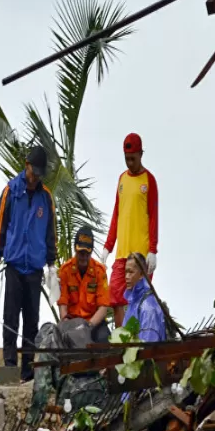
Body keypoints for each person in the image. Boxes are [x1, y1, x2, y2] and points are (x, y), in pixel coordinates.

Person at [0, 146, 58, 382]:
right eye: (33, 171)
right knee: (10, 319)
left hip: (34, 268)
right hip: (15, 265)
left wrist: (51, 264)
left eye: (39, 173)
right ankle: (10, 368)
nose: (35, 176)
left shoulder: (45, 197)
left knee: (32, 322)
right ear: (26, 165)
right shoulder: (11, 190)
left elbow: (51, 232)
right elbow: (0, 226)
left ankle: (28, 372)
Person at [100, 133, 159, 327]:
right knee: (116, 298)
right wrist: (108, 246)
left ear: (141, 154)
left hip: (141, 254)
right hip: (121, 253)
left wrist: (152, 250)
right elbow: (117, 213)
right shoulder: (122, 180)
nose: (130, 163)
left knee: (139, 298)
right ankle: (122, 342)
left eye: (133, 158)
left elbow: (153, 216)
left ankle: (139, 341)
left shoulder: (149, 180)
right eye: (127, 159)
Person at [57, 226, 110, 343]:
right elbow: (63, 304)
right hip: (72, 323)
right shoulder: (65, 270)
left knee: (104, 340)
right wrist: (67, 325)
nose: (84, 257)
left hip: (94, 323)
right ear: (75, 249)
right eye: (81, 253)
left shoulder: (99, 271)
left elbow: (103, 307)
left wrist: (88, 327)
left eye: (87, 253)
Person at [123, 252, 166, 343]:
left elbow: (148, 347)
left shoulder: (148, 307)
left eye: (131, 272)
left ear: (142, 274)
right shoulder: (133, 302)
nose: (127, 277)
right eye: (126, 272)